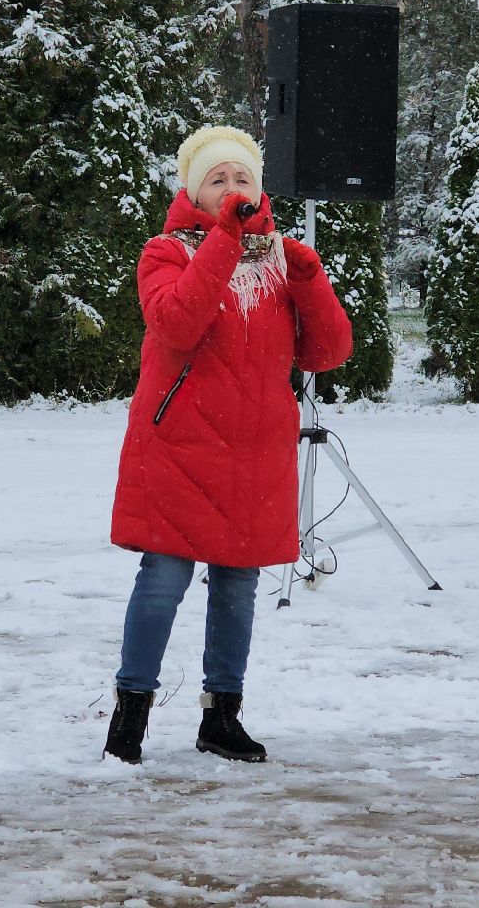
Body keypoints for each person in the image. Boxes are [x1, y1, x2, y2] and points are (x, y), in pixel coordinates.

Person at [104, 125, 353, 765]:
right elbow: (179, 324)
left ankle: (222, 718)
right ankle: (128, 720)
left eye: (242, 177)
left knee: (238, 588)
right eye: (218, 179)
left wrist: (309, 277)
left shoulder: (280, 260)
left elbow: (327, 352)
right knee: (163, 580)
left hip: (254, 454)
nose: (233, 188)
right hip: (179, 451)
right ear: (195, 191)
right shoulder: (165, 253)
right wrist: (224, 242)